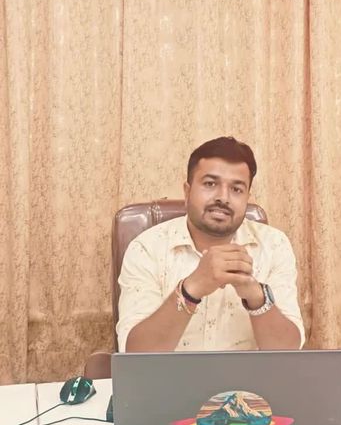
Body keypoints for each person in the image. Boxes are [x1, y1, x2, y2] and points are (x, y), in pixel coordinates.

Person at [116, 136, 305, 352]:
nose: (223, 198)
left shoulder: (274, 245)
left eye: (236, 189)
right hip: (171, 375)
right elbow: (135, 355)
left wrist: (256, 296)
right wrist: (192, 288)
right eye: (210, 184)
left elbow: (289, 352)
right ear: (187, 192)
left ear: (247, 197)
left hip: (249, 375)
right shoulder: (147, 248)